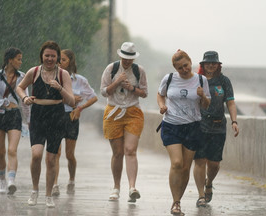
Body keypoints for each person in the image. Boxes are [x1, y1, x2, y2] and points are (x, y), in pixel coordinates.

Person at [16, 41, 75, 208]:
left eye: (53, 56)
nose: (49, 59)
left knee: (51, 159)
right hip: (38, 115)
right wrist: (25, 98)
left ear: (57, 58)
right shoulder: (33, 71)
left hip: (56, 116)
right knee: (36, 155)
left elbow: (71, 101)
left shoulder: (63, 74)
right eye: (47, 55)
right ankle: (35, 190)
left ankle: (48, 195)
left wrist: (60, 88)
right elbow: (20, 88)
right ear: (42, 56)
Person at [157, 49, 211, 215]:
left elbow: (206, 105)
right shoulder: (169, 78)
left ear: (190, 62)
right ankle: (175, 202)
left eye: (186, 65)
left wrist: (202, 96)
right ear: (175, 68)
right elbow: (160, 95)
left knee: (186, 167)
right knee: (177, 163)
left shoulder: (201, 80)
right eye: (180, 68)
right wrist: (162, 106)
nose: (184, 69)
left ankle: (177, 202)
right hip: (171, 125)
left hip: (192, 126)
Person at [100, 42, 148, 203]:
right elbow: (103, 91)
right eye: (125, 58)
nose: (127, 61)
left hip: (133, 112)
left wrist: (132, 88)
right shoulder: (111, 69)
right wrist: (117, 82)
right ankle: (116, 187)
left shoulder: (139, 71)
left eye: (130, 59)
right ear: (120, 56)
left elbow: (145, 93)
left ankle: (132, 187)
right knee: (118, 153)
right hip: (113, 111)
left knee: (130, 150)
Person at [193, 51, 240, 207]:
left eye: (214, 63)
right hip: (199, 125)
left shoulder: (224, 81)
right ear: (203, 65)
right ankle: (201, 195)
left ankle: (209, 183)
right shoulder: (197, 80)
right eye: (208, 63)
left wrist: (234, 121)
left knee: (214, 164)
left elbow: (231, 103)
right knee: (199, 161)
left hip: (218, 125)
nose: (211, 66)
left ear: (218, 65)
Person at [0, 47, 30, 195]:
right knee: (0, 151)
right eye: (18, 59)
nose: (20, 62)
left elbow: (25, 99)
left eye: (21, 59)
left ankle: (11, 181)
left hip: (15, 114)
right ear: (10, 60)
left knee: (12, 150)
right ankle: (2, 180)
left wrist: (28, 119)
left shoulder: (22, 77)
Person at [52, 49, 98, 195]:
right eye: (59, 60)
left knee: (69, 154)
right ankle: (54, 184)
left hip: (71, 117)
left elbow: (93, 97)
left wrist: (80, 108)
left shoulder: (80, 80)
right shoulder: (52, 79)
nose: (60, 62)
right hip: (56, 116)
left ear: (70, 62)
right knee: (55, 153)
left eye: (63, 60)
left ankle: (71, 179)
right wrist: (70, 97)